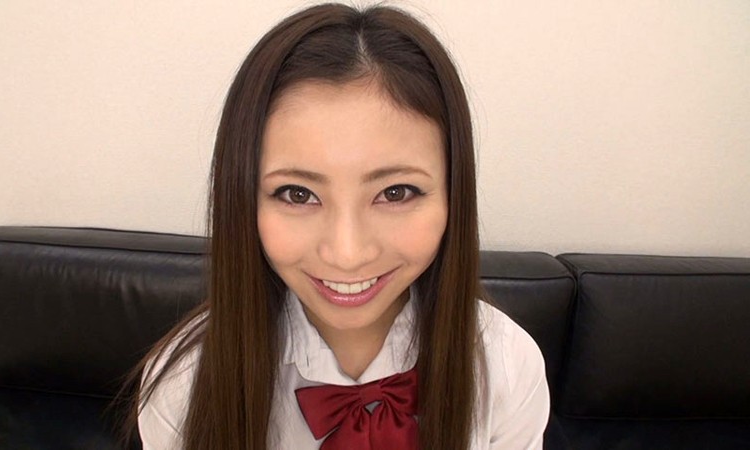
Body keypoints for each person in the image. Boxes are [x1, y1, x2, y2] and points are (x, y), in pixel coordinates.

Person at [128, 3, 549, 449]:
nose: (348, 254)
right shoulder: (184, 385)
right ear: (243, 199)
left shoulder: (505, 365)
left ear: (452, 194)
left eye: (396, 192)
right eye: (297, 194)